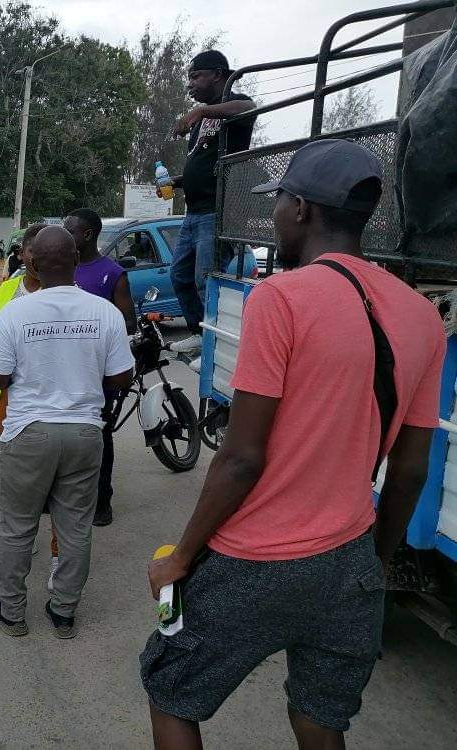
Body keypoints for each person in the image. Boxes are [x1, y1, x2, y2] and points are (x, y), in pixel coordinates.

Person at [141, 140, 446, 749]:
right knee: (320, 713)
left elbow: (242, 456)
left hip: (255, 559)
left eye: (277, 202)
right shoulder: (422, 316)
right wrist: (374, 563)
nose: (274, 215)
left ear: (301, 209)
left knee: (172, 692)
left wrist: (180, 558)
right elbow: (410, 467)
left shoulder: (281, 298)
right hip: (350, 558)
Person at [0, 226, 134, 639]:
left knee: (17, 527)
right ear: (76, 261)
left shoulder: (16, 311)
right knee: (75, 527)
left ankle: (12, 613)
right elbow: (122, 376)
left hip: (28, 431)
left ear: (30, 263)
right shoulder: (104, 312)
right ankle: (63, 612)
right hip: (85, 433)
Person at [0, 223, 66, 586]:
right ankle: (27, 539)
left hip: (51, 404)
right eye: (29, 249)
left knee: (58, 485)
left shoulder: (67, 295)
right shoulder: (7, 290)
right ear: (22, 254)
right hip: (7, 403)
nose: (34, 256)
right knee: (22, 482)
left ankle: (58, 555)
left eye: (41, 250)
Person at [161, 50, 256, 353]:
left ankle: (216, 343)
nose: (190, 84)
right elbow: (202, 160)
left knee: (206, 280)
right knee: (179, 276)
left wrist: (199, 113)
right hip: (194, 213)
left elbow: (250, 106)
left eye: (195, 76)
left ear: (216, 74)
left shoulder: (231, 104)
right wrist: (177, 181)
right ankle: (200, 333)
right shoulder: (203, 119)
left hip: (217, 212)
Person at [63, 208, 136, 527]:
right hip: (62, 370)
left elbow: (128, 323)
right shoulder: (62, 270)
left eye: (71, 230)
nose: (66, 236)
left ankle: (102, 501)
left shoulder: (113, 274)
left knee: (99, 437)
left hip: (98, 375)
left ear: (88, 235)